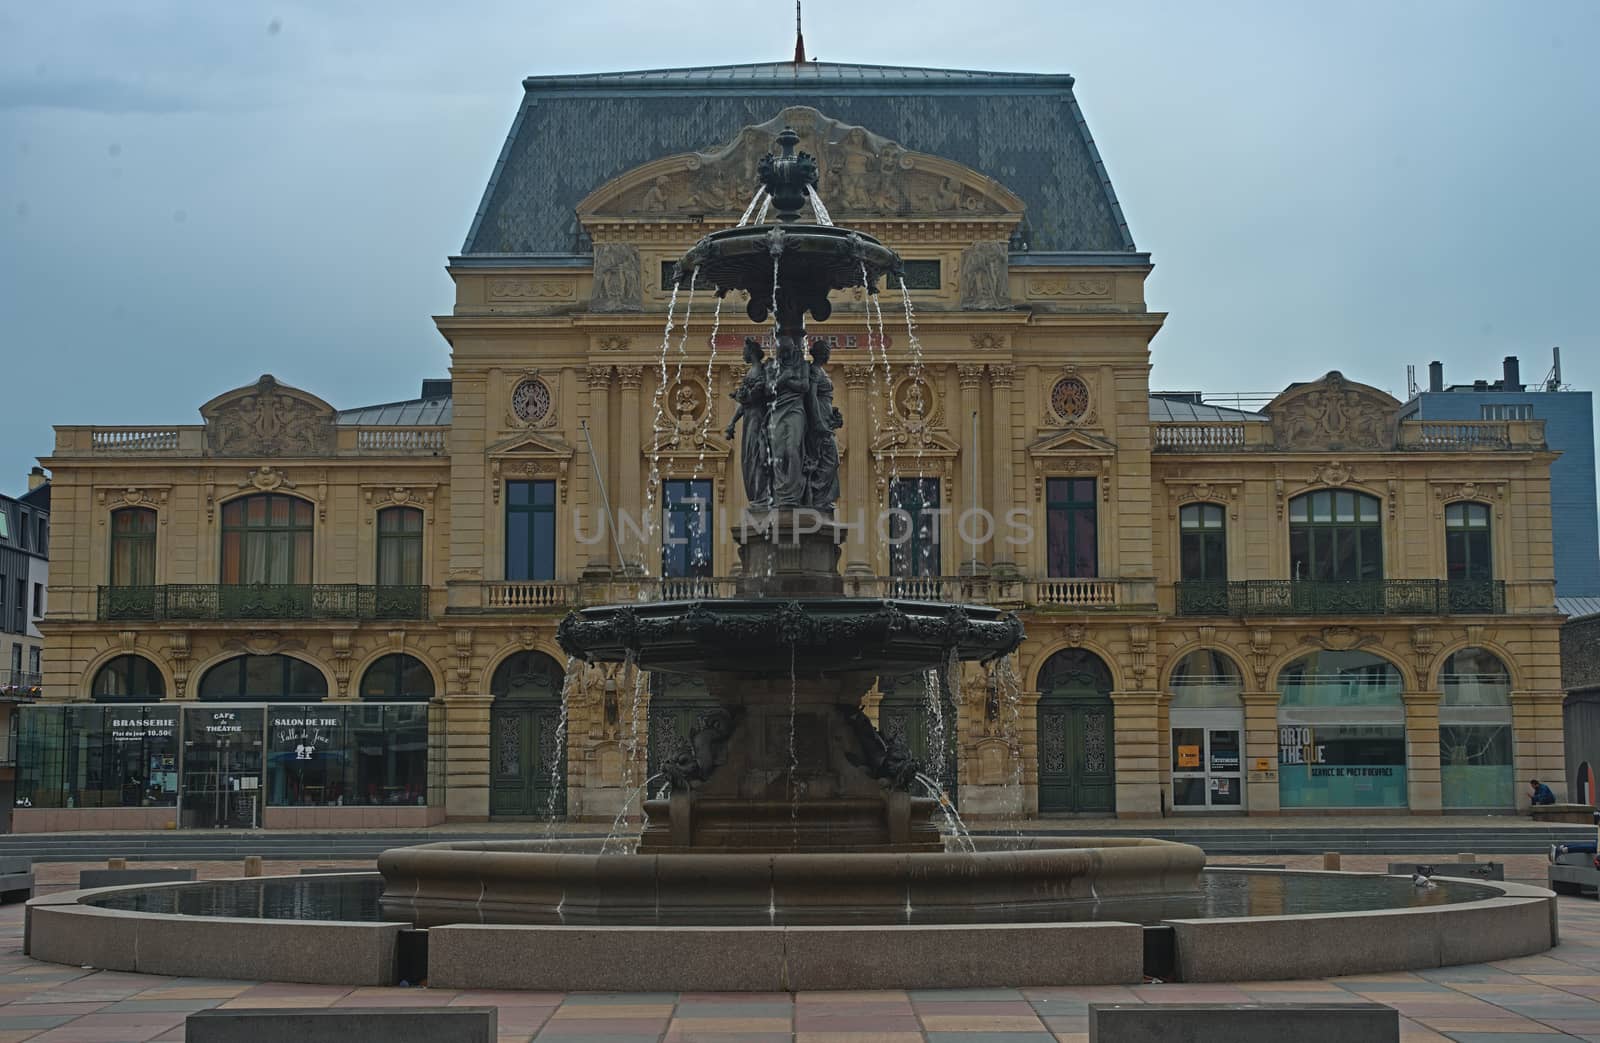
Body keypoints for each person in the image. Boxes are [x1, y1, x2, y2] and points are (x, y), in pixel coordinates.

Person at [725, 338, 774, 508]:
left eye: (744, 350)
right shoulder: (753, 372)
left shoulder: (760, 371)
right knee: (749, 457)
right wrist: (732, 423)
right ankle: (757, 495)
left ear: (751, 351)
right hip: (750, 419)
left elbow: (754, 397)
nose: (742, 353)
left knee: (756, 456)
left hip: (758, 420)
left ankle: (761, 496)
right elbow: (745, 404)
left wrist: (744, 396)